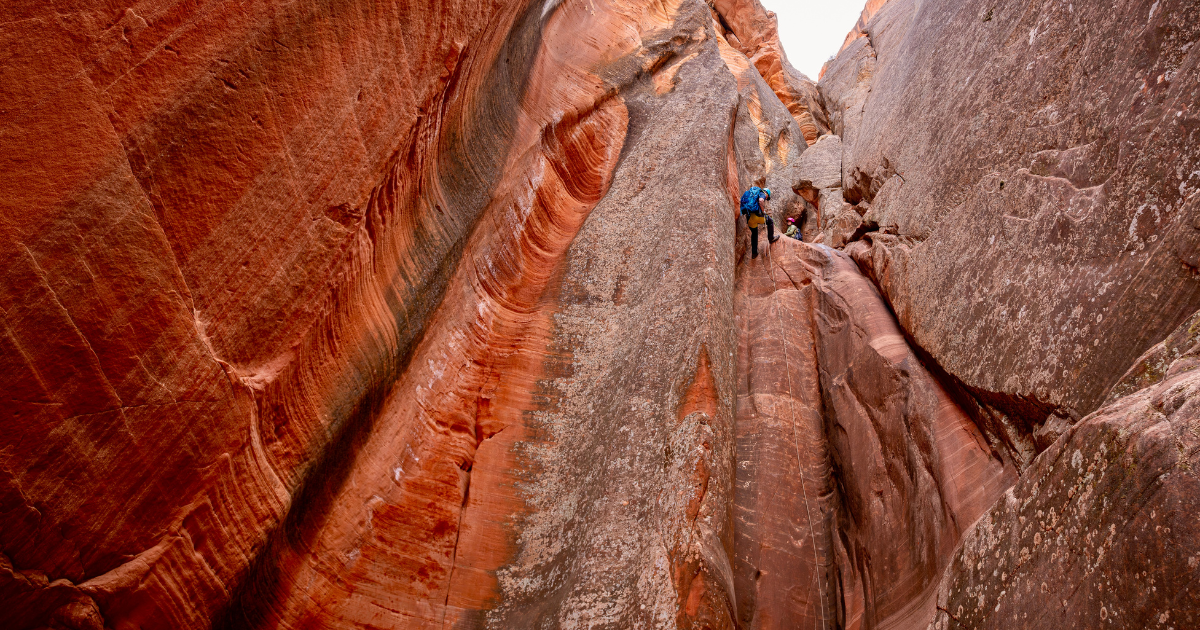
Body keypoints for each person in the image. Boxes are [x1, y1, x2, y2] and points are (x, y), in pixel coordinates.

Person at [739, 186, 779, 259]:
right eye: (767, 197)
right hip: (756, 216)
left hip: (749, 218)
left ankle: (754, 252)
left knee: (754, 233)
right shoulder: (762, 193)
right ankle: (771, 238)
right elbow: (761, 200)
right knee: (770, 221)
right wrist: (763, 211)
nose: (766, 198)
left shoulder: (752, 194)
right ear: (766, 193)